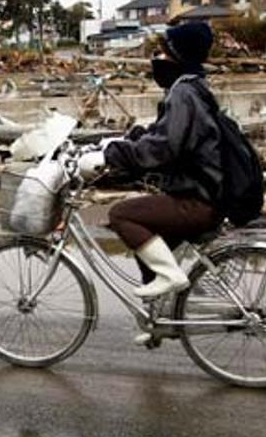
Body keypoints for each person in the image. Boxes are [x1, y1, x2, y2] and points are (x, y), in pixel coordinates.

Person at [79, 22, 225, 302]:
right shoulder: (192, 87)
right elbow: (164, 135)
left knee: (121, 214)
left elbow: (163, 148)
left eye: (165, 54)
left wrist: (114, 156)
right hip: (202, 193)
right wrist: (127, 140)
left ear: (180, 56)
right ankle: (160, 319)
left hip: (197, 200)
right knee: (151, 254)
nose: (159, 60)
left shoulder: (184, 93)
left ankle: (172, 277)